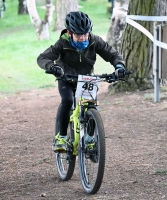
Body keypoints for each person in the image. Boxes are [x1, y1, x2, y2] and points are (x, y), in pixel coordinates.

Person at [37, 11, 126, 152]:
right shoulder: (62, 43)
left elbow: (112, 54)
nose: (83, 38)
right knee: (67, 100)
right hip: (66, 77)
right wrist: (53, 67)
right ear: (69, 32)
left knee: (90, 105)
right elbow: (42, 58)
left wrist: (119, 66)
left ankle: (90, 139)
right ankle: (62, 137)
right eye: (78, 35)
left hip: (86, 79)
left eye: (85, 34)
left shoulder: (95, 40)